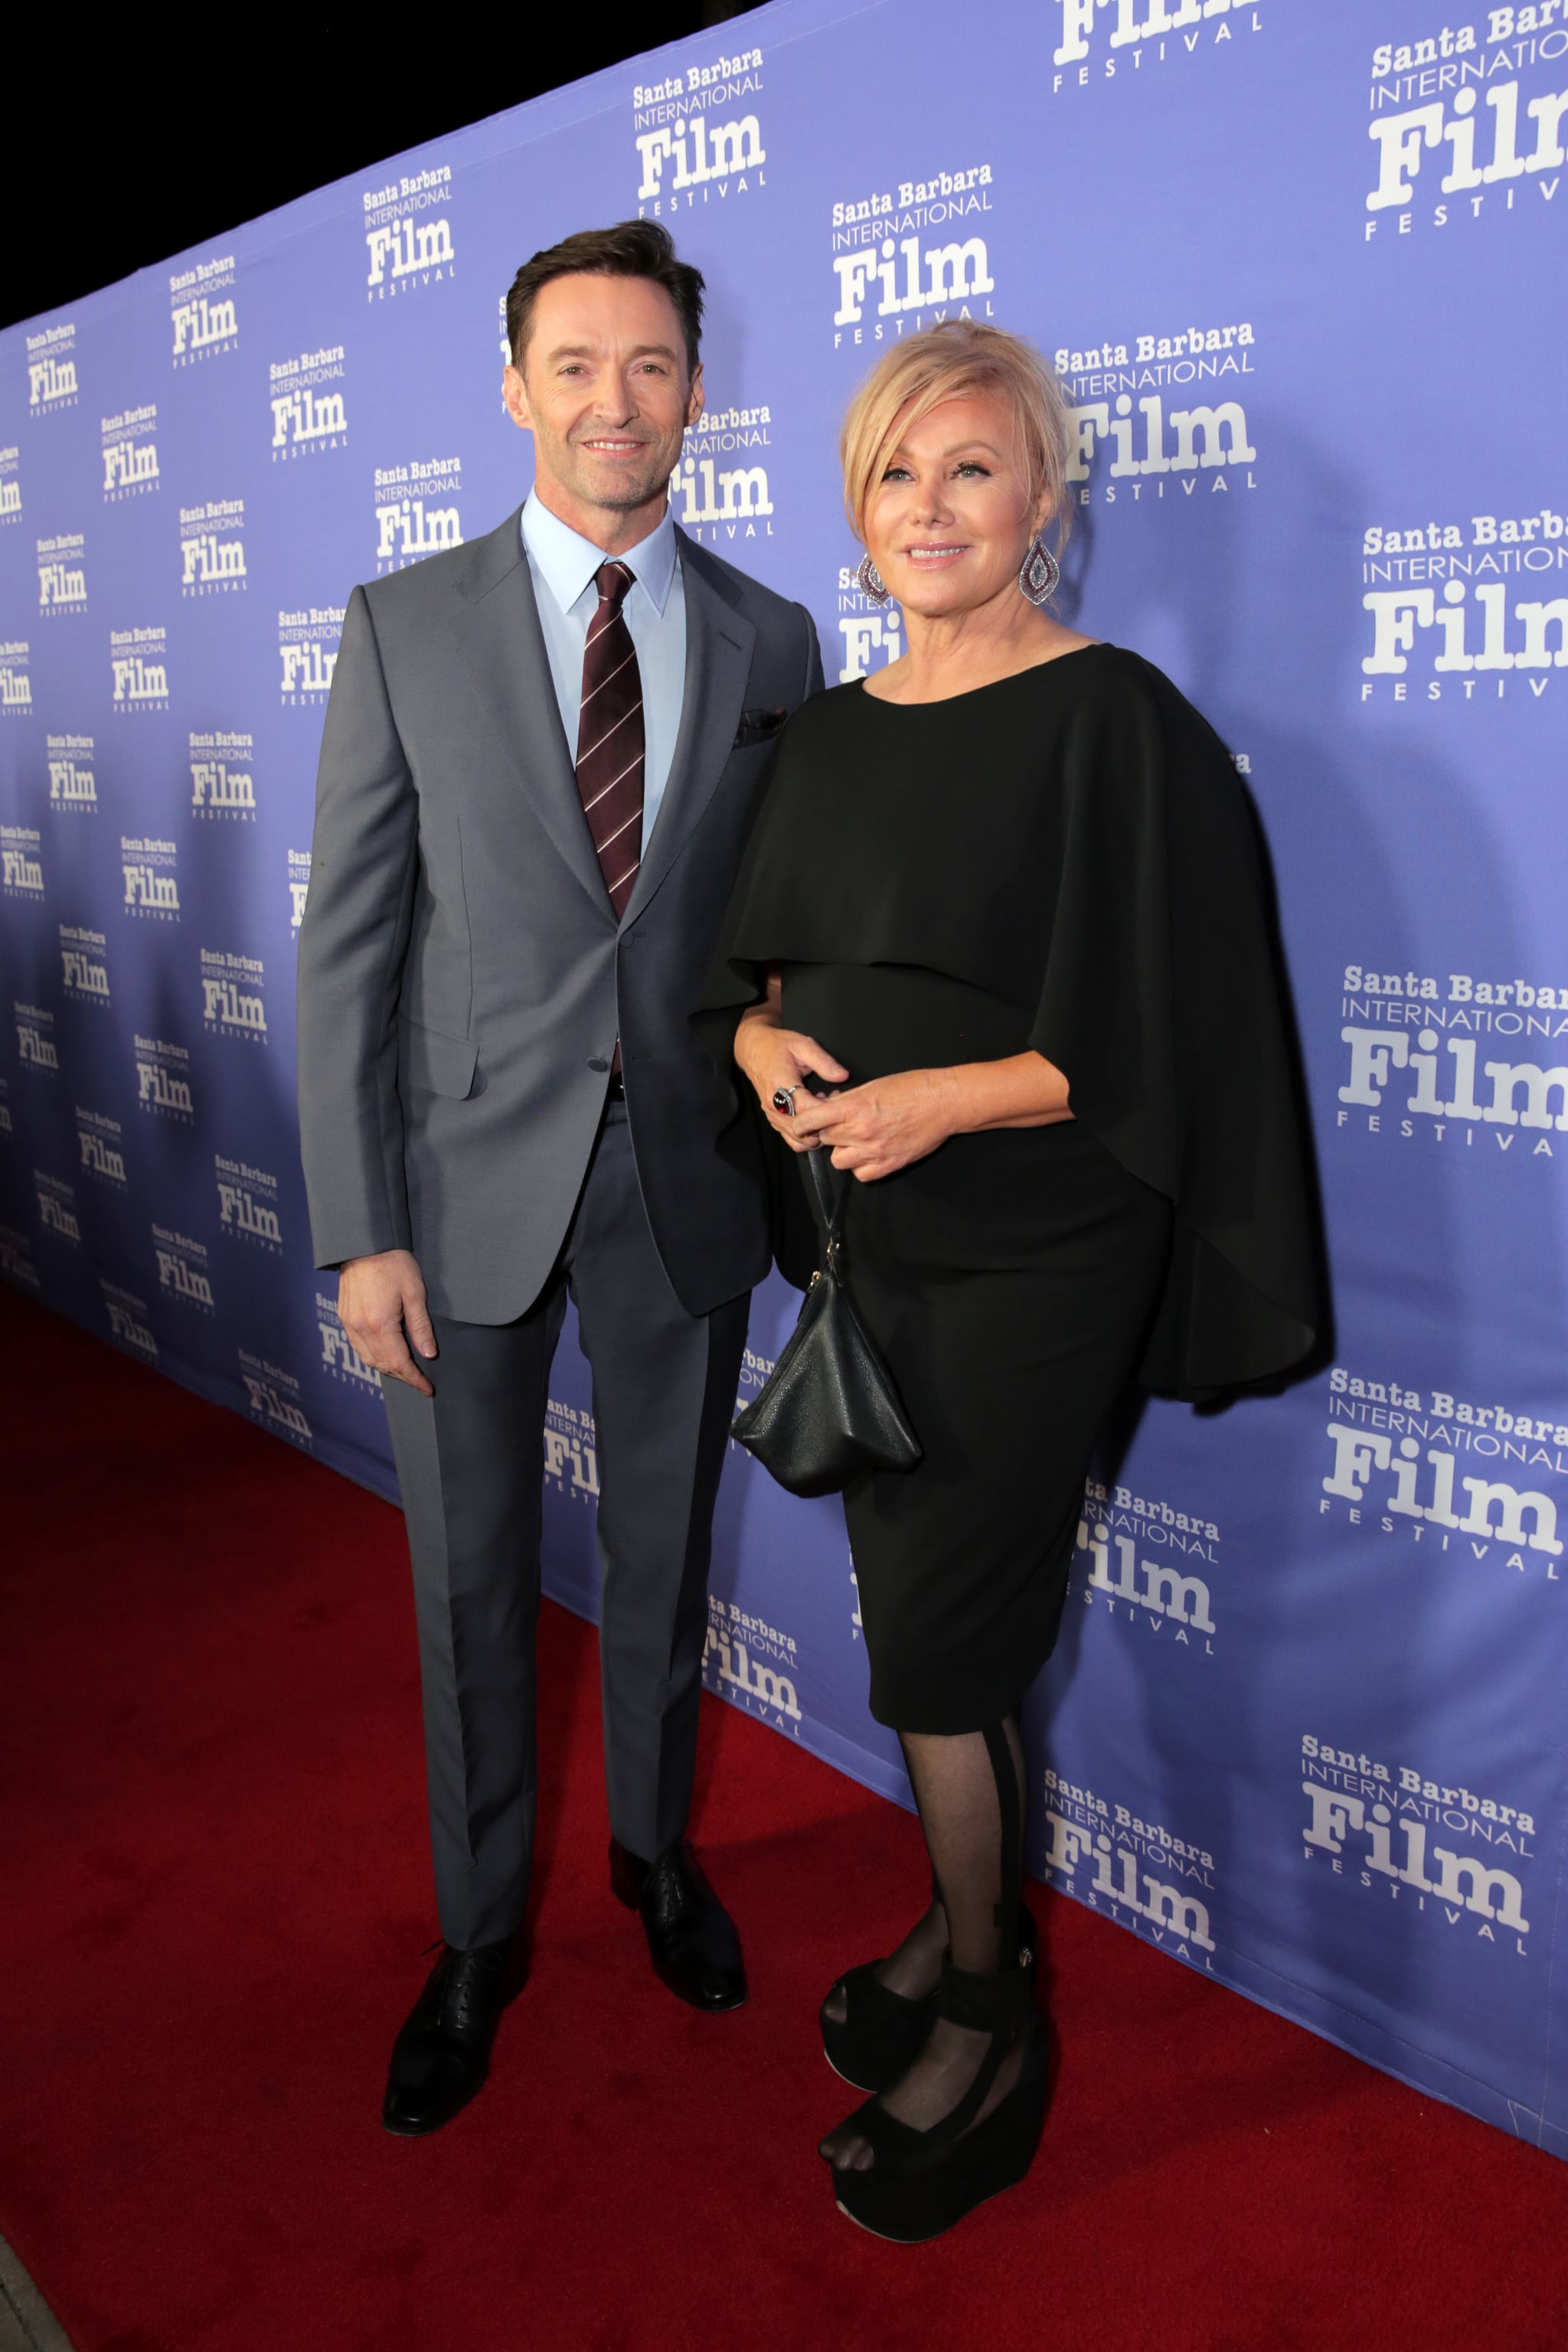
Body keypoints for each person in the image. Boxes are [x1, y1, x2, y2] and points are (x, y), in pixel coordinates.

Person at [697, 321, 1318, 2240]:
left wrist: (952, 1097)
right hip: (870, 1246)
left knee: (944, 1649)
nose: (932, 506)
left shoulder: (1112, 718)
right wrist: (757, 1056)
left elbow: (1178, 1033)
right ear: (859, 514)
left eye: (972, 469)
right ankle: (962, 1913)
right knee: (921, 1628)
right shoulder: (827, 731)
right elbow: (768, 981)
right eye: (898, 475)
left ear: (1041, 503)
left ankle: (993, 2006)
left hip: (1039, 1253)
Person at [296, 220, 822, 2138]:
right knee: (468, 1586)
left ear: (699, 389)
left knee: (668, 1562)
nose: (619, 401)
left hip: (685, 1189)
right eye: (578, 365)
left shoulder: (774, 635)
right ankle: (475, 1933)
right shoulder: (400, 625)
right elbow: (348, 949)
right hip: (456, 1204)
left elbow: (779, 925)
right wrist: (358, 1228)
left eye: (655, 365)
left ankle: (658, 1861)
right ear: (515, 386)